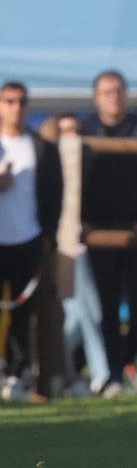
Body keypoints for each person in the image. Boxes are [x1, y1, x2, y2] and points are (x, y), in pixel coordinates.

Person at [79, 70, 137, 397]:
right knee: (104, 308)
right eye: (106, 92)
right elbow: (68, 181)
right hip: (98, 233)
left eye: (118, 90)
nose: (113, 97)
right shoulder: (84, 130)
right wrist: (81, 221)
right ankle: (112, 377)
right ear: (96, 97)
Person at [0, 81, 63, 402]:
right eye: (9, 101)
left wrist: (48, 238)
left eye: (22, 101)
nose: (16, 107)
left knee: (23, 318)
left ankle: (17, 377)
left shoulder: (41, 147)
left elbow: (55, 196)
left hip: (27, 240)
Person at [40, 113, 111, 397]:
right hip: (57, 246)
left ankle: (64, 370)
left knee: (82, 314)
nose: (73, 136)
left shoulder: (84, 163)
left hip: (77, 245)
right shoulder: (47, 161)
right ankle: (95, 373)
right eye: (65, 130)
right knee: (77, 314)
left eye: (76, 130)